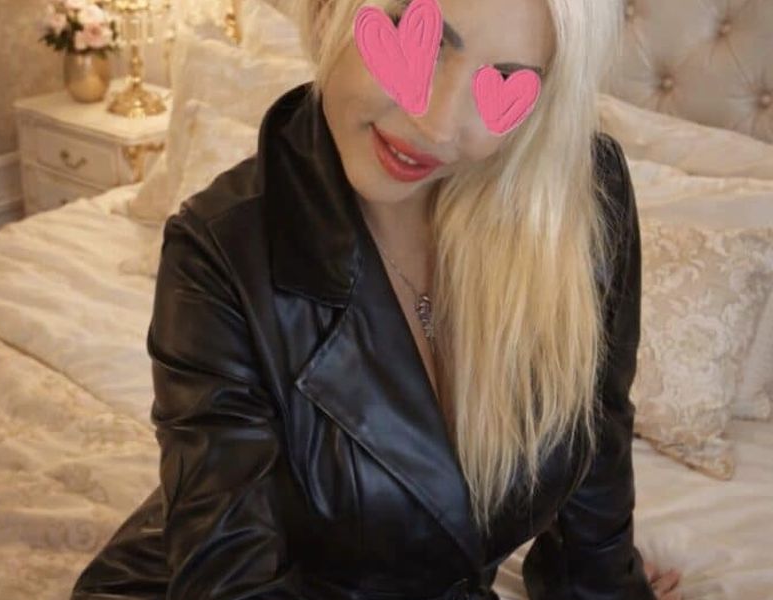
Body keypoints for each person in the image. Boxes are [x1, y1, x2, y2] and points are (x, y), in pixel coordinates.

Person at [70, 0, 684, 598]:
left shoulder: (580, 202)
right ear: (327, 12)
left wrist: (608, 583)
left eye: (503, 78)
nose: (438, 125)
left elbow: (596, 437)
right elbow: (233, 578)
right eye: (426, 43)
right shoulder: (219, 253)